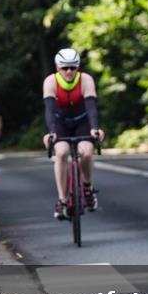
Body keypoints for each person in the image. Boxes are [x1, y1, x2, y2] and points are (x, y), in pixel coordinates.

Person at [41, 49, 106, 219]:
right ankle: (62, 199)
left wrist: (94, 128)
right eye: (65, 68)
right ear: (57, 68)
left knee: (85, 151)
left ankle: (87, 187)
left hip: (82, 121)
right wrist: (52, 132)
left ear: (77, 67)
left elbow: (91, 107)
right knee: (61, 153)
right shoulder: (50, 81)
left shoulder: (85, 80)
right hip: (60, 122)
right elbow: (49, 110)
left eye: (73, 67)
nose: (69, 71)